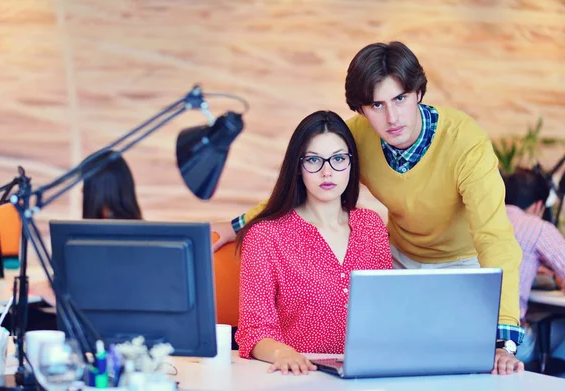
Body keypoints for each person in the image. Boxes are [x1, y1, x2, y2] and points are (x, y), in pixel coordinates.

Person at [214, 41, 524, 375]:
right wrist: (235, 225)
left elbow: (495, 237)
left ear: (419, 93)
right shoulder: (355, 139)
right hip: (400, 260)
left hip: (461, 263)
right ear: (361, 109)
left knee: (462, 369)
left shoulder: (465, 142)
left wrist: (503, 338)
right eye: (376, 104)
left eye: (400, 99)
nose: (392, 118)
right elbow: (299, 181)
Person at [235, 110, 392, 375]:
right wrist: (282, 353)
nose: (327, 172)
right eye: (313, 160)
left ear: (352, 164)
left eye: (338, 159)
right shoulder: (265, 236)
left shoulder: (371, 225)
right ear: (298, 166)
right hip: (301, 377)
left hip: (371, 374)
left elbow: (386, 311)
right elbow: (254, 330)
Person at [29, 150, 142, 306]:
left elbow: (97, 303)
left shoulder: (104, 239)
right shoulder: (140, 234)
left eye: (86, 186)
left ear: (97, 190)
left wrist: (48, 295)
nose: (82, 191)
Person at [504, 168, 565, 372]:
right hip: (510, 345)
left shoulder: (481, 220)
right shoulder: (537, 227)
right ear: (539, 205)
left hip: (473, 338)